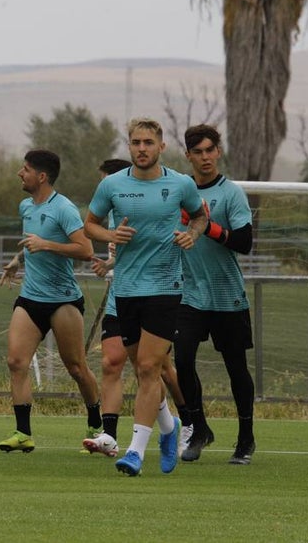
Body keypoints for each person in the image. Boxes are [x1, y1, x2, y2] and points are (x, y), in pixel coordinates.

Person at [84, 118, 206, 477]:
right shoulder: (112, 185)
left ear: (161, 146)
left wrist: (192, 235)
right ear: (130, 146)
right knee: (142, 369)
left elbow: (199, 217)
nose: (141, 148)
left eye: (148, 142)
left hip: (166, 287)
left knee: (151, 367)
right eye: (135, 142)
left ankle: (135, 452)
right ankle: (168, 429)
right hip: (126, 289)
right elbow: (90, 223)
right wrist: (110, 233)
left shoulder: (181, 184)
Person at [0, 149, 100, 452]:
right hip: (30, 298)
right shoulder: (25, 206)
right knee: (16, 362)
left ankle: (96, 426)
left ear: (41, 176)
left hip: (63, 301)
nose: (20, 173)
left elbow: (85, 250)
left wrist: (47, 245)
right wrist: (18, 260)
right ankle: (23, 433)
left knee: (77, 368)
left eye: (25, 169)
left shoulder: (64, 209)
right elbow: (32, 243)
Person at [83, 159, 186, 458]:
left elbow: (160, 241)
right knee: (113, 363)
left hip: (159, 293)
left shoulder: (154, 205)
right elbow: (98, 232)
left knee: (154, 368)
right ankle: (115, 434)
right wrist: (108, 263)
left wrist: (191, 232)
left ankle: (185, 421)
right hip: (123, 296)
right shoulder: (113, 210)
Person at [176, 124, 256, 465]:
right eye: (198, 152)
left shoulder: (232, 193)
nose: (205, 157)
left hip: (226, 295)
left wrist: (205, 225)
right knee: (181, 362)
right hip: (188, 293)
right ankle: (201, 429)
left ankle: (246, 438)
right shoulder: (178, 191)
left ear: (218, 152)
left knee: (236, 367)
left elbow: (244, 243)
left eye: (210, 150)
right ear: (188, 155)